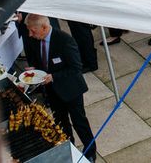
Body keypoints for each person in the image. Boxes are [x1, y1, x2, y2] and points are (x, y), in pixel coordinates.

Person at [23, 15, 96, 162]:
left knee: (79, 122)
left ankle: (90, 151)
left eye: (32, 31)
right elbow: (41, 61)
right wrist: (34, 69)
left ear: (44, 28)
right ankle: (68, 146)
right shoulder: (35, 39)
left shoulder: (65, 40)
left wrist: (54, 76)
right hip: (52, 91)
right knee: (61, 121)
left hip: (71, 90)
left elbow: (76, 68)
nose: (30, 35)